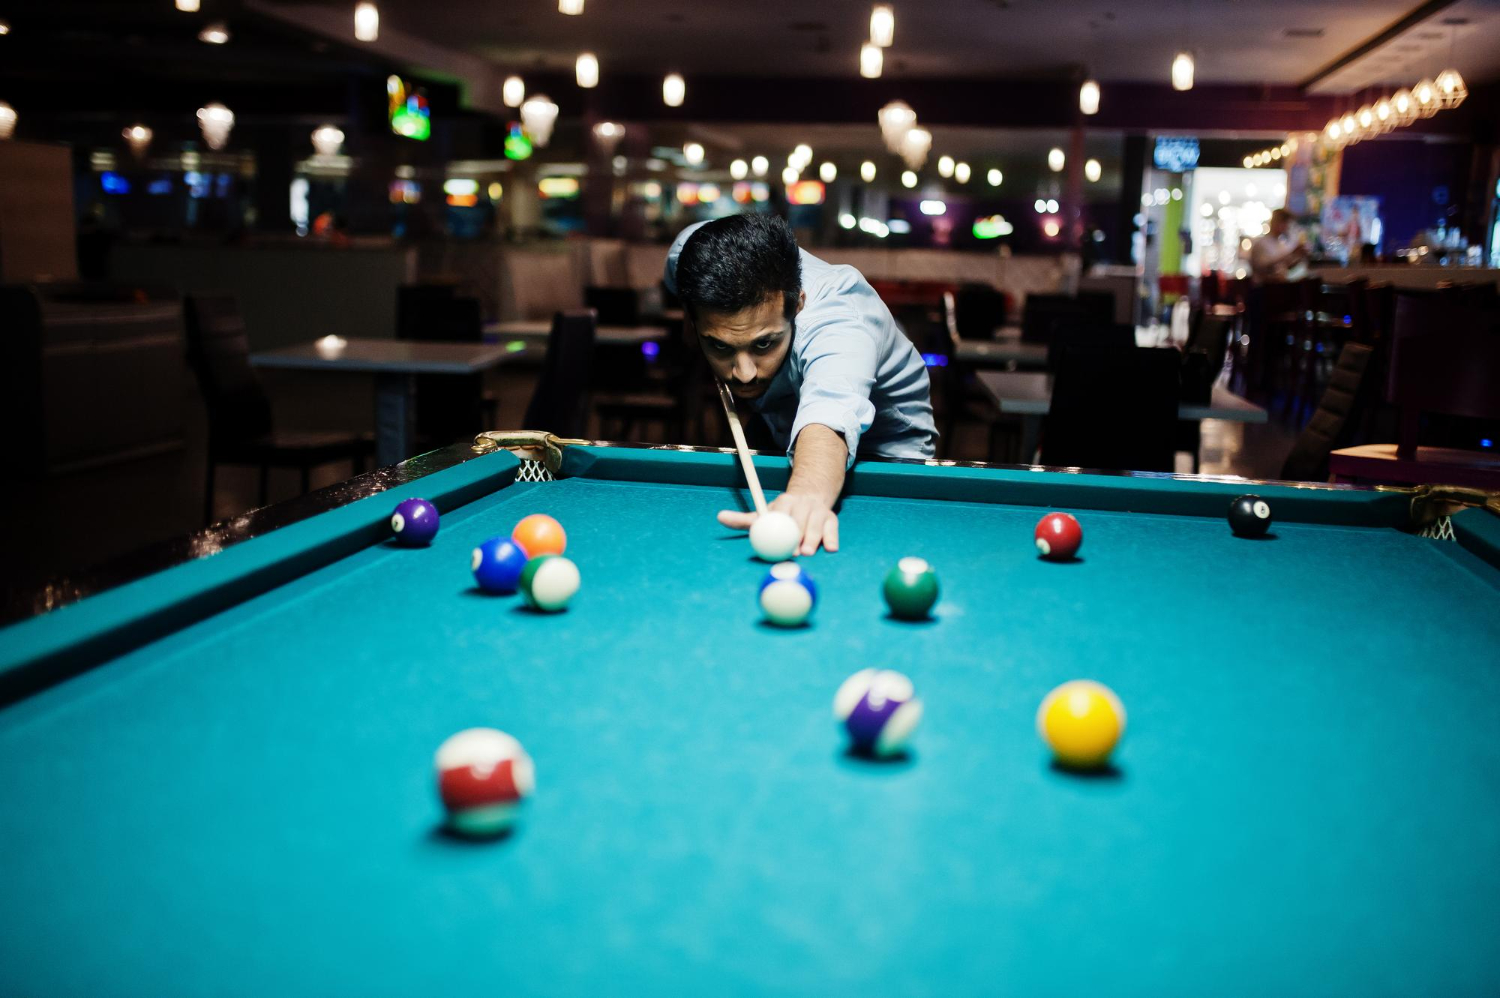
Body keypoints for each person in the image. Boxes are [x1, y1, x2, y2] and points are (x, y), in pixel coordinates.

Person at [665, 214, 936, 556]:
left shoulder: (840, 321)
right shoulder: (690, 250)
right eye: (721, 345)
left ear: (799, 304)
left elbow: (831, 411)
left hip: (887, 459)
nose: (744, 374)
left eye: (764, 343)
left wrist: (807, 492)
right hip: (782, 424)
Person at [1249, 208, 1309, 282]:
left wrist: (1299, 256)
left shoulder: (1281, 243)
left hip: (1278, 287)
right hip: (1264, 289)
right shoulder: (1261, 243)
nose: (1287, 227)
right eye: (1285, 223)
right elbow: (1264, 266)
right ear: (1276, 222)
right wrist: (1292, 252)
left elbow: (1284, 266)